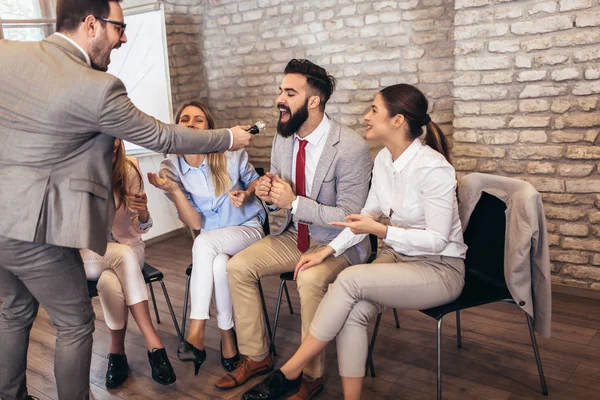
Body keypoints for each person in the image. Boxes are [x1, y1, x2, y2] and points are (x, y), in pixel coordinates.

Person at [0, 0, 252, 399]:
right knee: (75, 323)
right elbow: (162, 136)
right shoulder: (97, 86)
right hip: (36, 230)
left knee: (14, 313)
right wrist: (227, 138)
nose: (124, 37)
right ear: (91, 24)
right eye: (119, 27)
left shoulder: (7, 54)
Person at [242, 84, 468, 400]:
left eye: (374, 110)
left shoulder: (433, 168)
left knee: (347, 282)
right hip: (397, 258)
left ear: (398, 120)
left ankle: (290, 370)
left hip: (440, 268)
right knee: (353, 311)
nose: (366, 116)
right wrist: (328, 251)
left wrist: (383, 231)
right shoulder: (385, 162)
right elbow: (362, 219)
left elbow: (438, 240)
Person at [215, 59, 372, 400]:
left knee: (310, 279)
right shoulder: (284, 138)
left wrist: (295, 202)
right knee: (237, 266)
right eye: (280, 90)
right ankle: (257, 356)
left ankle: (310, 376)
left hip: (337, 245)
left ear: (313, 101)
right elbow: (277, 200)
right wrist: (268, 195)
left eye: (289, 92)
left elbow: (351, 217)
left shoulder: (351, 148)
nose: (279, 99)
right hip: (293, 235)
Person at [148, 101, 266, 376]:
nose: (191, 124)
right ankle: (228, 338)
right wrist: (175, 191)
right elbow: (196, 222)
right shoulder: (171, 167)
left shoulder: (230, 153)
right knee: (217, 264)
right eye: (185, 119)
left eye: (198, 120)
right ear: (177, 128)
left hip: (247, 228)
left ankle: (197, 331)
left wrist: (246, 194)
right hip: (213, 240)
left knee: (203, 244)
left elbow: (254, 183)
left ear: (209, 128)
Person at [80, 138, 176, 388]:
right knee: (121, 256)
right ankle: (154, 344)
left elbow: (142, 227)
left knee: (111, 279)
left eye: (115, 148)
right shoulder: (77, 170)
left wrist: (143, 213)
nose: (112, 154)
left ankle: (117, 354)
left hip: (130, 249)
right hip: (87, 253)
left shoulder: (128, 168)